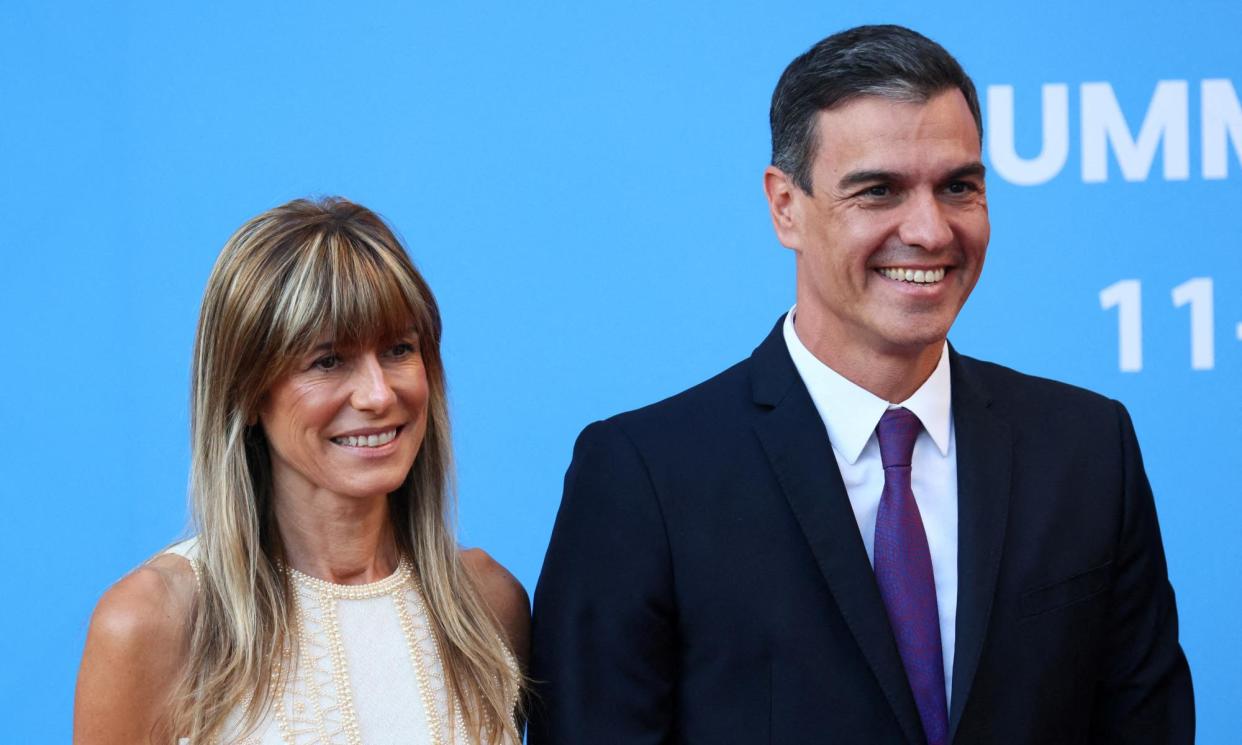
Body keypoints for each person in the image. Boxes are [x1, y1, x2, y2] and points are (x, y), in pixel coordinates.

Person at [528, 24, 1193, 744]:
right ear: (786, 207)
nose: (931, 230)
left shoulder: (1089, 449)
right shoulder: (643, 477)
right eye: (878, 191)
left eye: (958, 187)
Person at [74, 198, 528, 744]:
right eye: (328, 361)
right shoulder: (152, 621)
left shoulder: (487, 603)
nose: (379, 394)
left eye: (398, 349)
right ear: (244, 392)